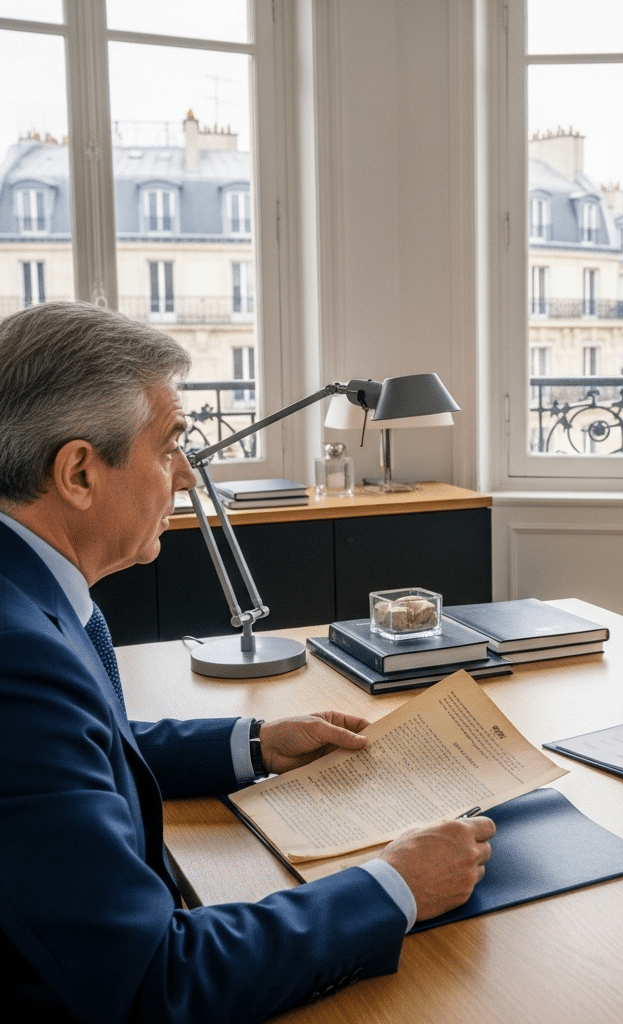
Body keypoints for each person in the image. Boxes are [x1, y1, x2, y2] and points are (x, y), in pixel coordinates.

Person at [0, 301, 496, 1023]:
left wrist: (256, 743)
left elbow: (82, 754)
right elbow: (155, 982)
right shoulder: (18, 661)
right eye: (169, 447)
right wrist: (393, 884)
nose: (187, 480)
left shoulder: (28, 591)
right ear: (78, 472)